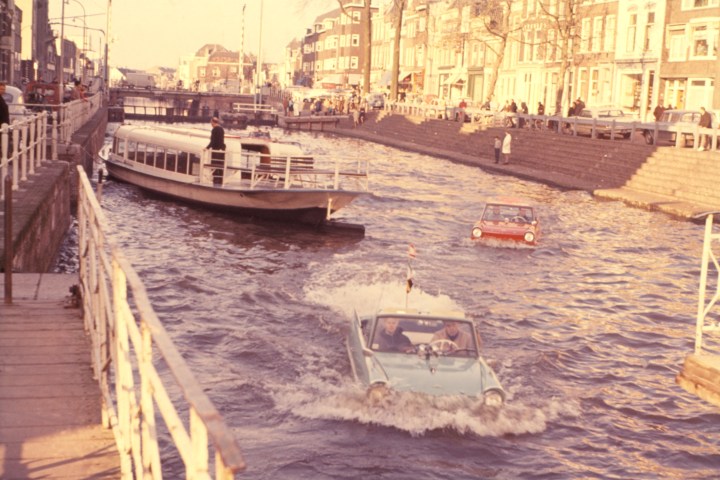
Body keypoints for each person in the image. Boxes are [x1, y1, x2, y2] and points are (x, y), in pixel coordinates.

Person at [206, 117, 225, 185]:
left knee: (214, 165)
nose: (211, 124)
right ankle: (220, 180)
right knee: (220, 165)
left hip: (216, 150)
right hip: (222, 150)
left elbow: (213, 141)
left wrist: (207, 148)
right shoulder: (221, 129)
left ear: (213, 122)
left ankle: (215, 180)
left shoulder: (214, 129)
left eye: (211, 122)